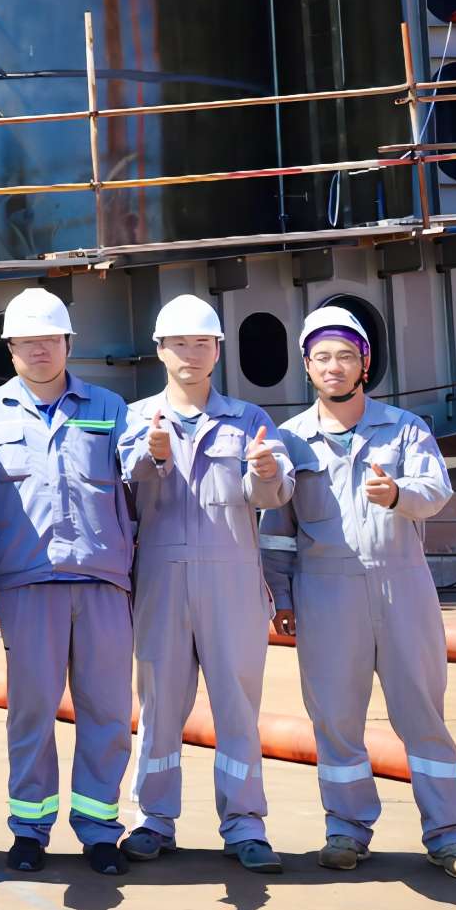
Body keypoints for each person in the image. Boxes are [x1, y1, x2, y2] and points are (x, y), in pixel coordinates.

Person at [263, 306, 456, 881]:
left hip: (401, 586)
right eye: (321, 357)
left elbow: (435, 490)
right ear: (306, 366)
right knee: (336, 718)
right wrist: (281, 597)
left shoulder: (405, 428)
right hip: (325, 592)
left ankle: (449, 836)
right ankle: (346, 830)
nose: (333, 367)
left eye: (345, 355)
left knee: (423, 714)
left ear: (364, 363)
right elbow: (278, 532)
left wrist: (396, 495)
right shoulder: (290, 440)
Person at [117, 294, 291, 873]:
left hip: (232, 581)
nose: (191, 353)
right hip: (161, 580)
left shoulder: (249, 419)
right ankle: (152, 820)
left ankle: (245, 824)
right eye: (179, 344)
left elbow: (274, 492)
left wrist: (266, 471)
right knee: (159, 705)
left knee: (238, 706)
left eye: (202, 343)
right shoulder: (136, 419)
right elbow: (125, 484)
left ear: (217, 351)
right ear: (160, 351)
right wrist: (152, 454)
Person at [0, 286, 135, 875]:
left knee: (107, 714)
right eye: (27, 341)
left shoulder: (110, 407)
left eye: (50, 339)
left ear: (68, 343)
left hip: (102, 583)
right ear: (10, 349)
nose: (39, 350)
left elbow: (136, 495)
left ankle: (99, 831)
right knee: (30, 715)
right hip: (25, 586)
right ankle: (30, 831)